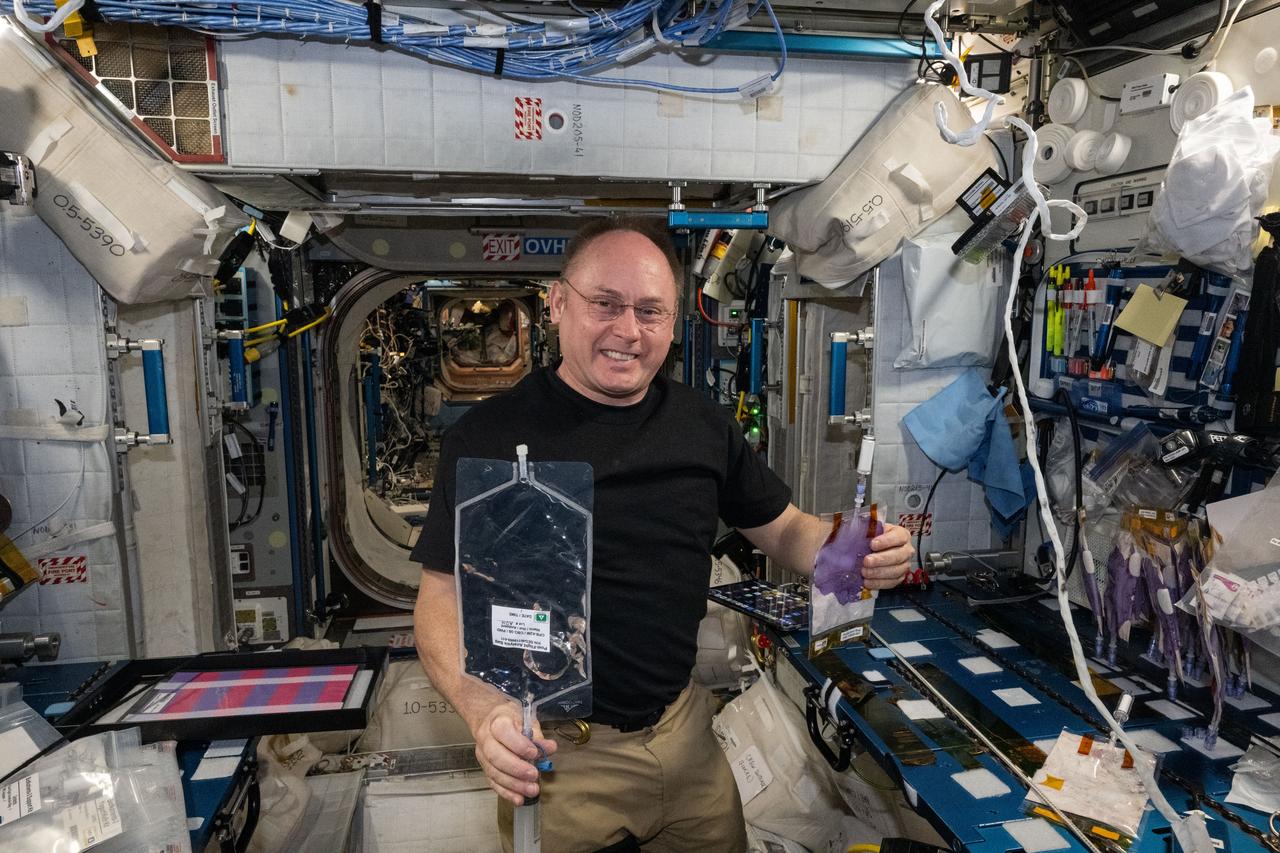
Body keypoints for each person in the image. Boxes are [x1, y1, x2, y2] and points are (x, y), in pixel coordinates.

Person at [411, 218, 914, 853]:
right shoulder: (485, 438)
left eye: (651, 311)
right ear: (558, 303)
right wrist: (483, 713)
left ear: (673, 327)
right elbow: (439, 596)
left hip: (684, 735)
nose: (628, 330)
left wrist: (857, 547)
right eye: (606, 304)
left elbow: (785, 529)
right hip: (560, 752)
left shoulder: (700, 427)